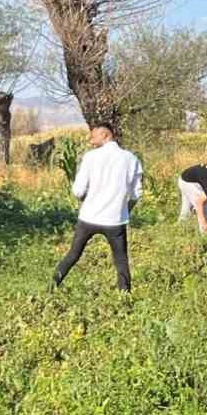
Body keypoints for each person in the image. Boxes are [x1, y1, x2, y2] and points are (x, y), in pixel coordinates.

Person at [54, 124, 143, 293]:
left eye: (93, 136)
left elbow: (78, 190)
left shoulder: (90, 157)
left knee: (73, 255)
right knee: (121, 261)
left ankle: (52, 287)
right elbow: (136, 194)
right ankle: (125, 298)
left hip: (88, 217)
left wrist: (86, 201)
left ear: (105, 135)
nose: (91, 139)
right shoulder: (131, 159)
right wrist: (125, 209)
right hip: (115, 220)